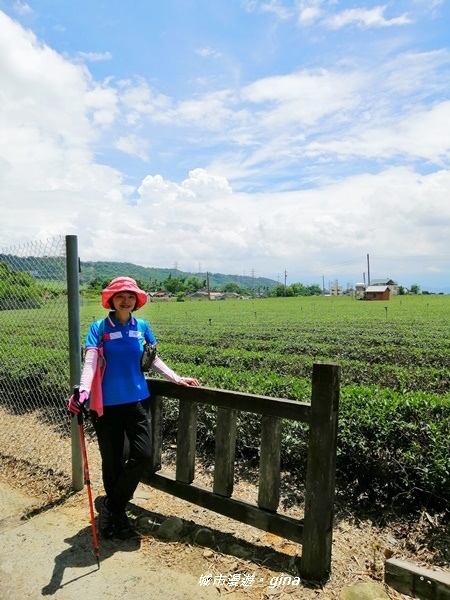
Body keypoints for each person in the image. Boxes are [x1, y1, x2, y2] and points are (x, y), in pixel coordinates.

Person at [68, 276, 200, 539]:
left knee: (142, 453)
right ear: (111, 300)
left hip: (137, 400)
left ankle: (110, 506)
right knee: (112, 461)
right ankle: (118, 518)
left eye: (131, 295)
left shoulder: (143, 327)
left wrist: (176, 378)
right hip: (104, 406)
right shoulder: (98, 328)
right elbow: (91, 361)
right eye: (120, 295)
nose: (126, 299)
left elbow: (153, 360)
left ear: (137, 300)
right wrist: (83, 390)